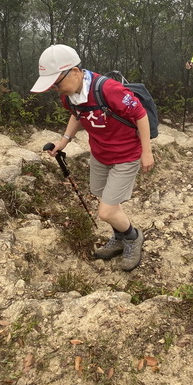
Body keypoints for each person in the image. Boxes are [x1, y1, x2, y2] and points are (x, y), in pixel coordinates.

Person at [31, 44, 154, 271]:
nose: (56, 90)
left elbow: (140, 114)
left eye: (56, 83)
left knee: (106, 211)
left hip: (126, 155)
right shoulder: (69, 95)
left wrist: (147, 152)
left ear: (75, 72)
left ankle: (133, 237)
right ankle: (119, 238)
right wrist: (64, 141)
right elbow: (77, 115)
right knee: (101, 196)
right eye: (52, 87)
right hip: (100, 154)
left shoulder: (108, 89)